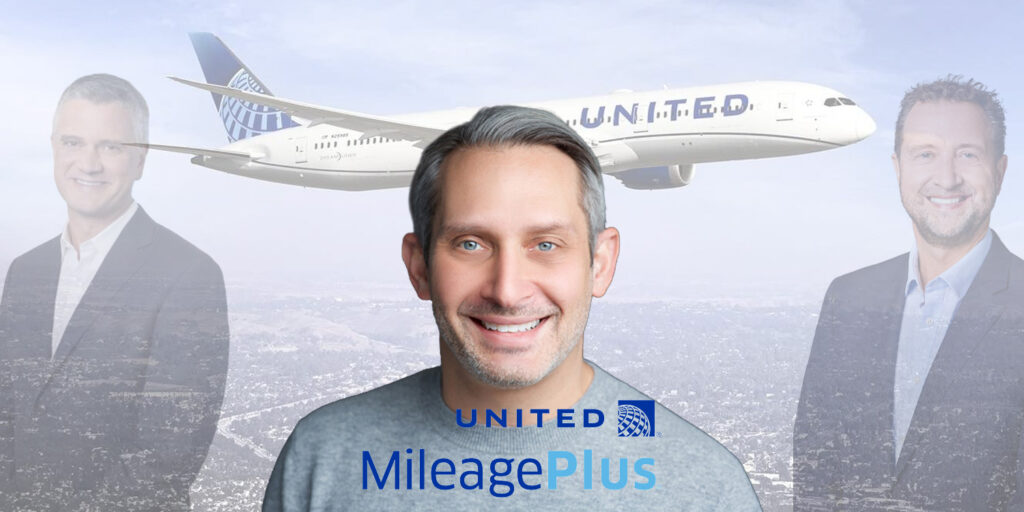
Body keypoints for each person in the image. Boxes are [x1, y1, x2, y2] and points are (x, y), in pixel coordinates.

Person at [262, 105, 761, 510]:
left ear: (601, 264)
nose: (507, 290)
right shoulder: (322, 458)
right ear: (418, 268)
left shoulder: (708, 487)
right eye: (471, 244)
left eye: (546, 245)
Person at [0, 74, 229, 511]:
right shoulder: (25, 272)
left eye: (110, 147)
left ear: (140, 160)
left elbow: (168, 459)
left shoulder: (190, 275)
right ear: (53, 148)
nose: (88, 163)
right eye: (73, 142)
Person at [794, 76, 1024, 510]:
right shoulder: (847, 299)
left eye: (968, 154)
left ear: (1000, 170)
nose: (947, 177)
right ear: (899, 168)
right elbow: (814, 476)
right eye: (926, 154)